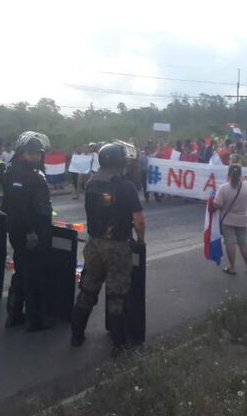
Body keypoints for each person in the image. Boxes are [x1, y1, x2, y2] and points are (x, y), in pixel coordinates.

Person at [71, 143, 146, 356]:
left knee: (88, 288)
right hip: (117, 246)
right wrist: (140, 241)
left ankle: (76, 334)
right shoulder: (125, 187)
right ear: (120, 162)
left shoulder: (91, 182)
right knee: (116, 294)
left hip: (93, 243)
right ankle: (119, 343)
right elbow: (139, 221)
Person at [2, 131, 54, 331]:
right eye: (31, 153)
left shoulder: (19, 170)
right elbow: (18, 206)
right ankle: (35, 320)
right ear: (22, 153)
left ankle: (14, 314)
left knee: (22, 271)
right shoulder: (20, 173)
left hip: (24, 229)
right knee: (33, 275)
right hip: (28, 231)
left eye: (38, 153)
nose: (35, 156)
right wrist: (31, 231)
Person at [213, 164, 247, 275]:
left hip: (228, 220)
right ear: (241, 174)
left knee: (230, 243)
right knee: (243, 243)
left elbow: (217, 205)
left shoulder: (223, 188)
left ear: (228, 174)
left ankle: (232, 268)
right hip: (243, 219)